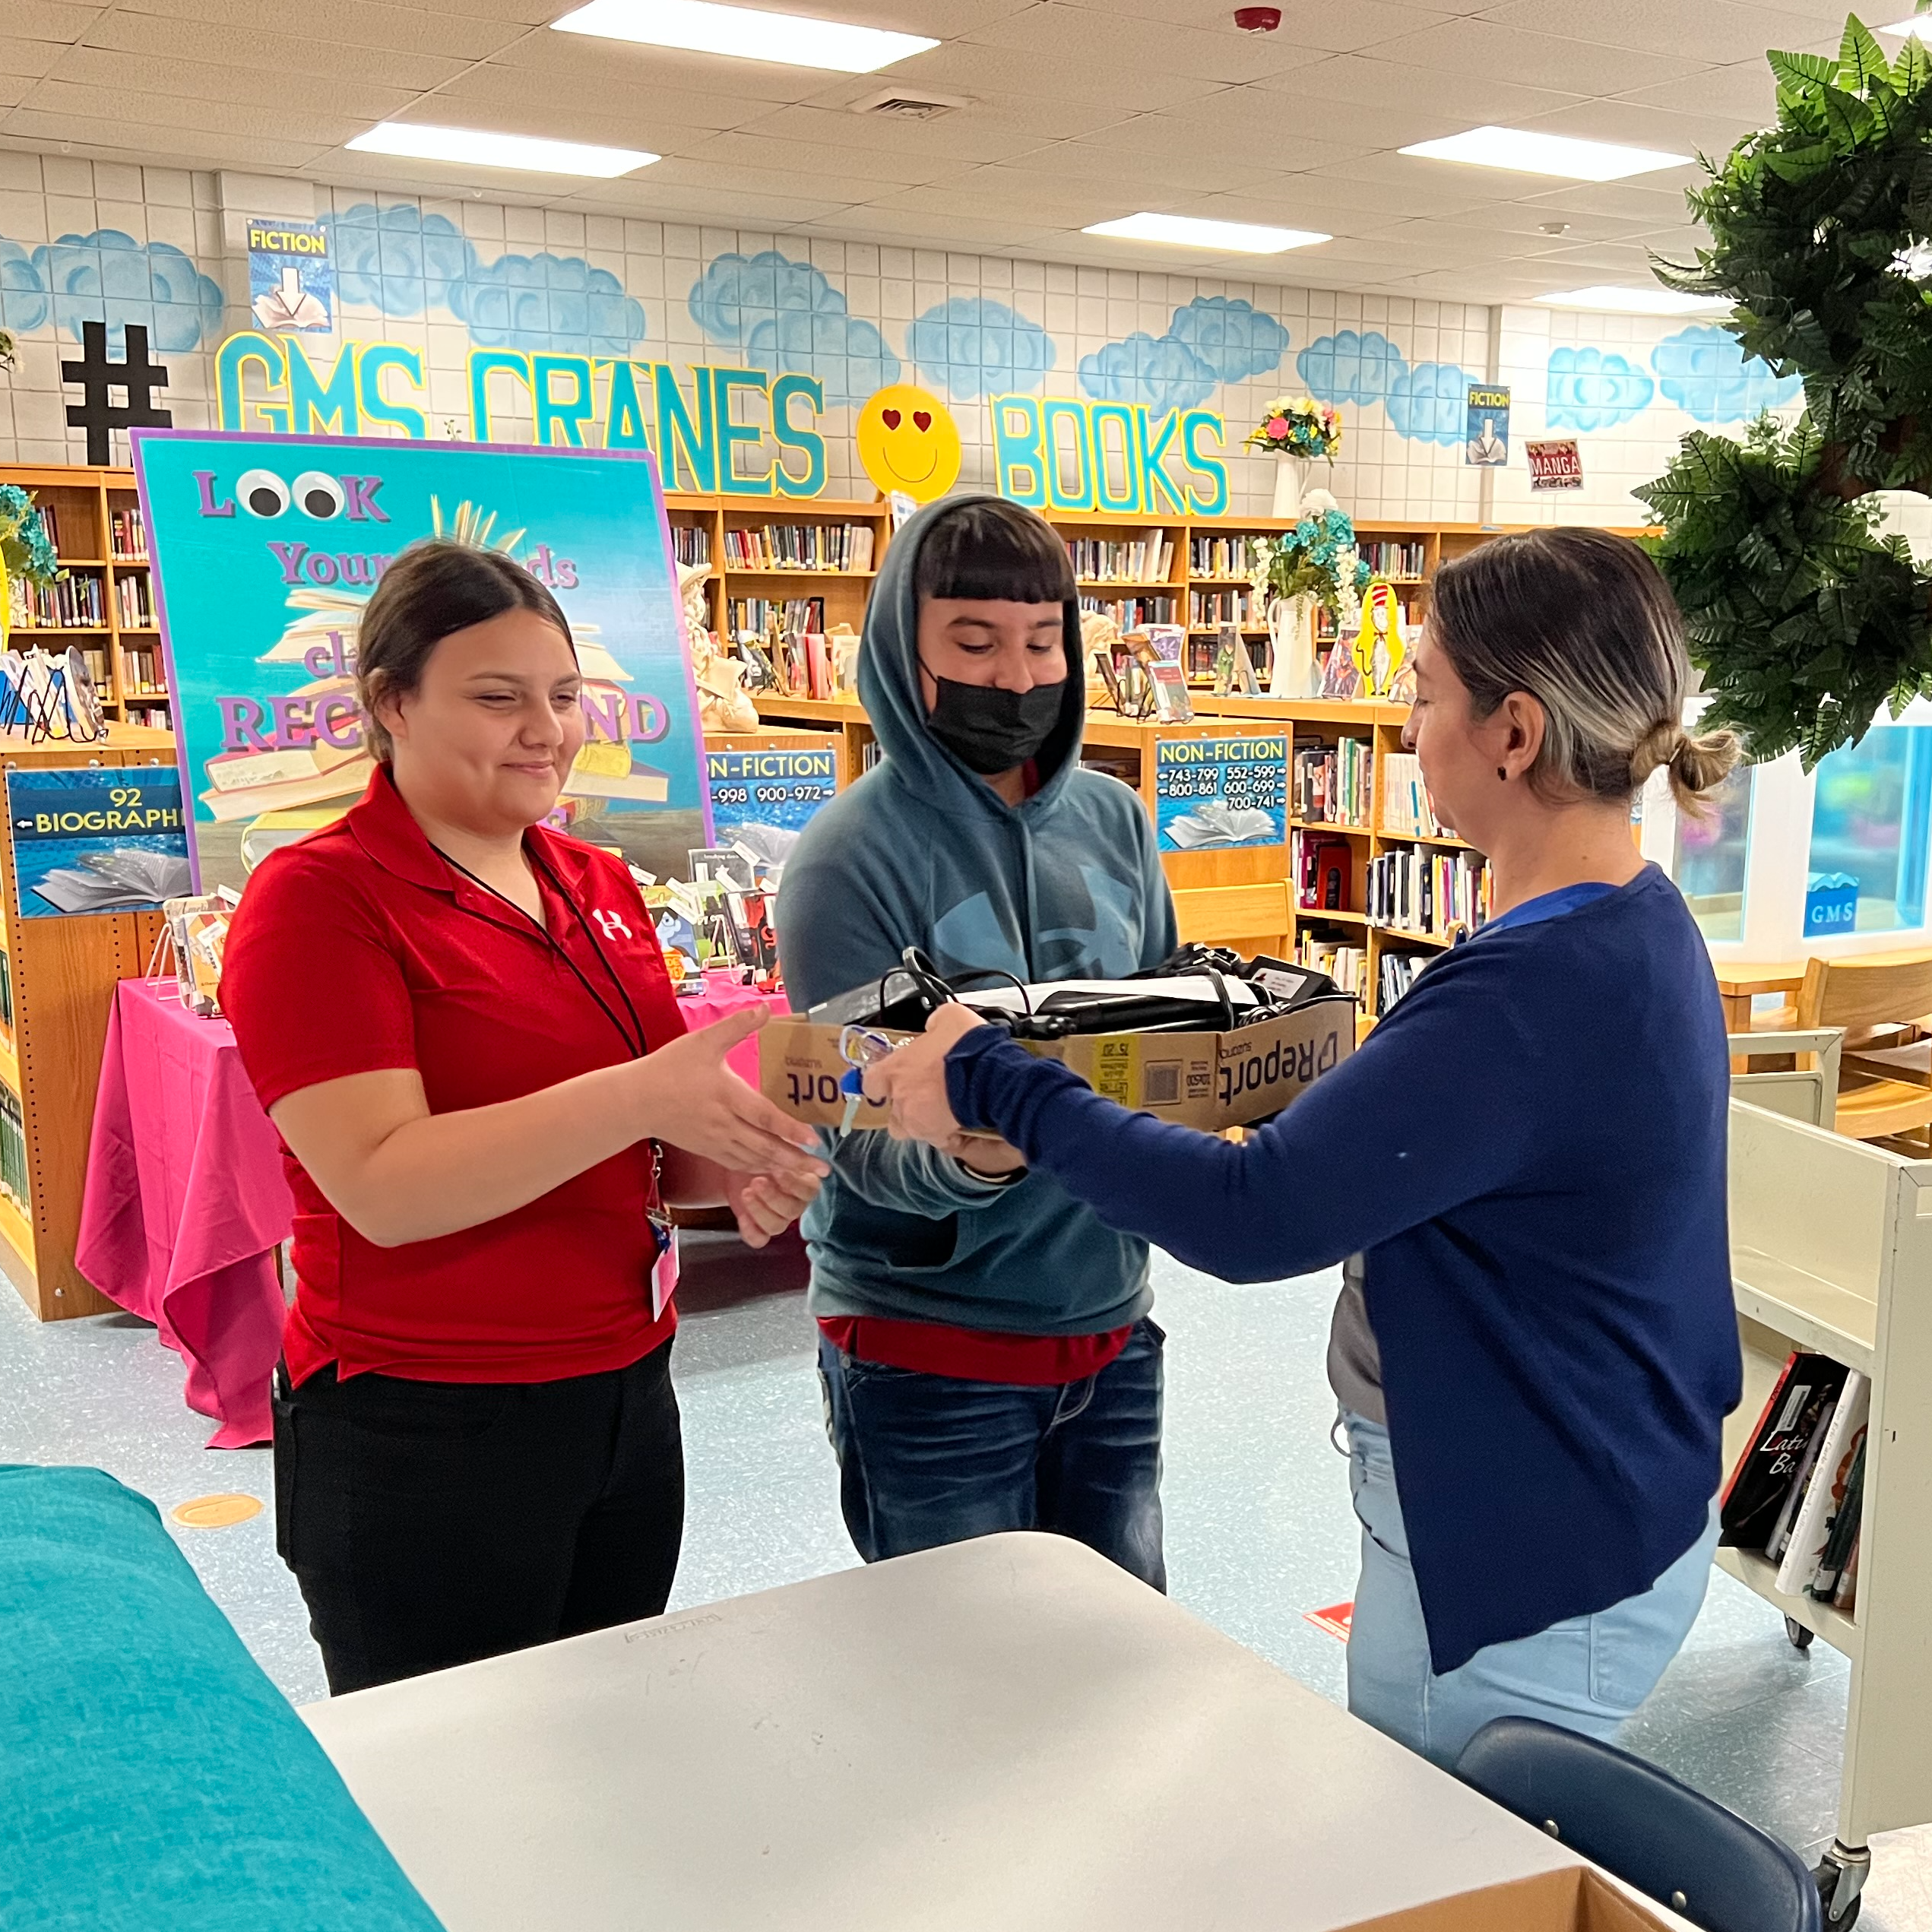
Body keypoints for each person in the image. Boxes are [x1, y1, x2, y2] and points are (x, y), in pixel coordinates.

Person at [866, 527, 1744, 1766]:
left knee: (1450, 1860)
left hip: (1523, 1553)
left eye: (1424, 692)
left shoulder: (1526, 988)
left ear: (1514, 732)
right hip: (1594, 1493)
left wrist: (987, 1070)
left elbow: (1249, 1216)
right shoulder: (1634, 924)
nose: (1403, 725)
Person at [220, 540, 827, 1696]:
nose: (544, 728)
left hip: (627, 1391)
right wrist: (641, 1095)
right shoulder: (319, 899)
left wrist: (749, 1158)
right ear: (390, 701)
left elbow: (651, 1150)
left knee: (603, 1735)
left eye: (562, 696)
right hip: (425, 1425)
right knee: (454, 1786)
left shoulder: (593, 884)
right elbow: (384, 1186)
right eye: (497, 698)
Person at [774, 494, 1178, 1588]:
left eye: (1042, 641)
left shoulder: (1117, 821)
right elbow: (850, 1126)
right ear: (903, 647)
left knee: (1125, 1673)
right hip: (929, 1351)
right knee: (961, 1688)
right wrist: (974, 1150)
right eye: (973, 641)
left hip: (1110, 1326)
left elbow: (1161, 1025)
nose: (1014, 677)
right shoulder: (843, 860)